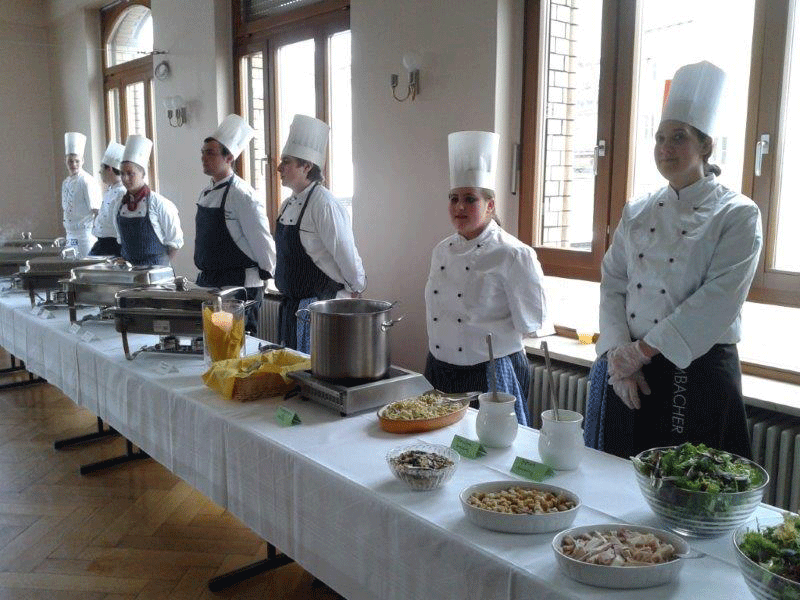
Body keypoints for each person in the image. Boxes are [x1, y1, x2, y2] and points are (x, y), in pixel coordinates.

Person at [597, 61, 763, 459]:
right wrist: (620, 353)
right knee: (620, 483)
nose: (665, 148)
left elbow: (717, 301)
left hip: (698, 374)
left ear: (705, 145)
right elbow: (613, 280)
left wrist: (643, 351)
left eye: (678, 137)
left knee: (690, 496)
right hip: (631, 372)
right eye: (659, 138)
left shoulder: (737, 213)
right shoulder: (637, 209)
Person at [424, 131, 548, 426]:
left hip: (490, 372)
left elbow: (532, 322)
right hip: (439, 369)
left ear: (490, 205)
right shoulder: (441, 250)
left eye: (470, 199)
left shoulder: (514, 254)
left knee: (490, 451)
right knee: (438, 448)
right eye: (454, 199)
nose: (460, 207)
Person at [274, 114, 366, 353]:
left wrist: (355, 287)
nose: (279, 168)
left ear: (307, 167)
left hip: (317, 309)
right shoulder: (286, 204)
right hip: (291, 307)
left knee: (314, 375)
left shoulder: (324, 204)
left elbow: (345, 251)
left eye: (287, 162)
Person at [195, 114, 276, 334]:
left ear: (229, 157)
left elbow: (262, 241)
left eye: (210, 153)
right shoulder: (206, 192)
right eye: (203, 152)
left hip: (237, 288)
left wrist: (265, 275)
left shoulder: (242, 195)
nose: (203, 157)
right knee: (214, 339)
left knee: (233, 340)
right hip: (211, 285)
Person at [115, 134, 183, 266]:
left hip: (156, 274)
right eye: (122, 173)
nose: (125, 178)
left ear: (143, 174)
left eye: (130, 173)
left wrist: (162, 267)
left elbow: (175, 243)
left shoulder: (159, 203)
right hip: (129, 273)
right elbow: (121, 241)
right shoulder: (119, 205)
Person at [61, 132, 102, 257]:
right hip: (70, 235)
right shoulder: (65, 182)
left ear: (82, 161)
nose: (73, 165)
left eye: (77, 161)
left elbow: (97, 210)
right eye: (70, 161)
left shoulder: (87, 181)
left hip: (85, 236)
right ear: (66, 161)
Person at [89, 141, 125, 257]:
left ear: (109, 169)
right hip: (102, 244)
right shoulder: (110, 189)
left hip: (112, 247)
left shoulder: (121, 193)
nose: (100, 172)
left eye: (101, 168)